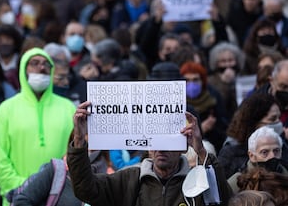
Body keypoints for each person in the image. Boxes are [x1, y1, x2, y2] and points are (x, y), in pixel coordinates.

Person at [67, 101, 232, 206]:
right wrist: (79, 140)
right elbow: (85, 190)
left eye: (168, 141)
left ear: (183, 146)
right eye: (154, 140)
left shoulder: (198, 181)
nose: (160, 148)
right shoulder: (129, 178)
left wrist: (201, 152)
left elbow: (223, 199)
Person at [0, 48, 76, 206]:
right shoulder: (7, 109)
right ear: (23, 70)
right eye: (34, 63)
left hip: (59, 197)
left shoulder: (68, 108)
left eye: (46, 64)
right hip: (17, 196)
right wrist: (24, 188)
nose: (41, 68)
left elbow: (76, 152)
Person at [218, 93, 282, 178]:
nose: (278, 123)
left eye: (279, 118)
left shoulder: (282, 143)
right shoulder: (231, 152)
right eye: (272, 119)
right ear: (254, 122)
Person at [227, 126, 288, 193]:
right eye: (265, 152)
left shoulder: (285, 174)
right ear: (252, 156)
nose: (272, 156)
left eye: (276, 151)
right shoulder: (237, 183)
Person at [208, 42, 245, 120]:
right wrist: (225, 83)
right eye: (223, 61)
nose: (227, 64)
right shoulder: (210, 81)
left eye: (230, 60)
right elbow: (218, 105)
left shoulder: (243, 78)